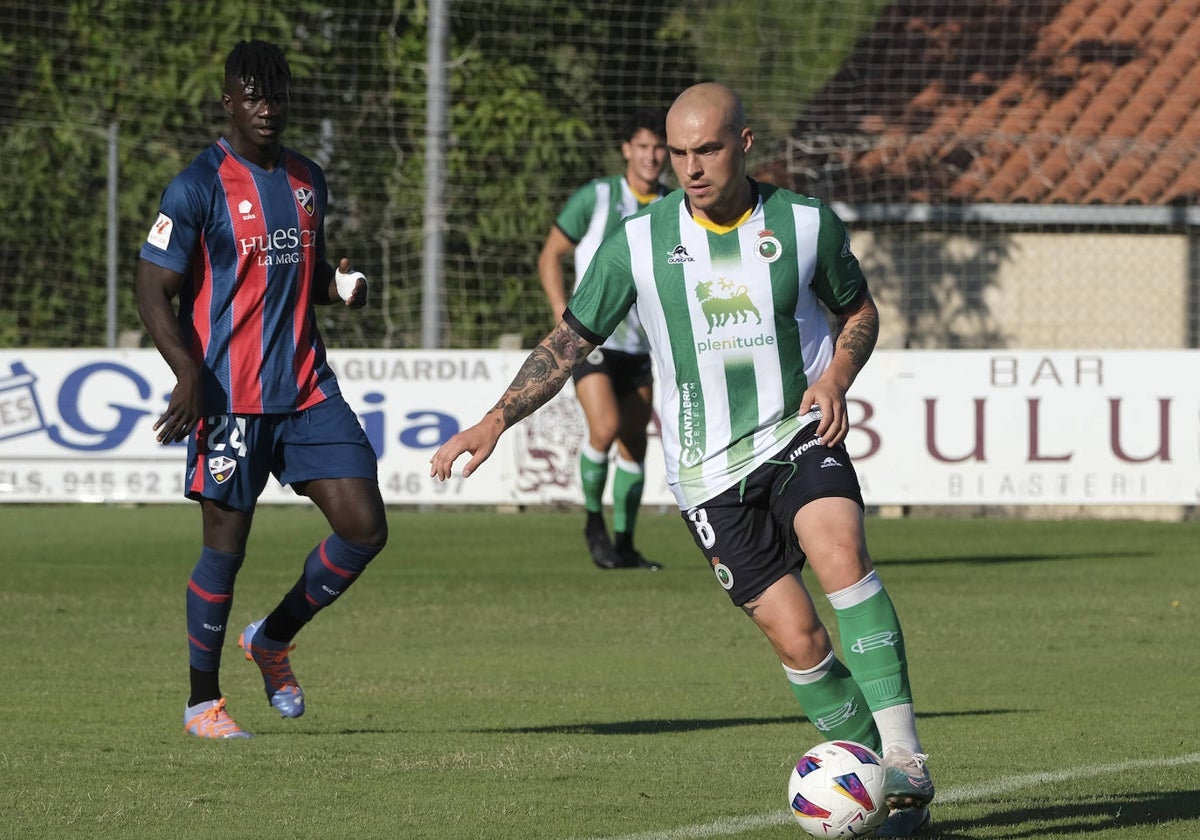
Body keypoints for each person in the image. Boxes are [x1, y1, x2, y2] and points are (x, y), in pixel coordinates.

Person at [430, 83, 935, 837]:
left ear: (745, 143)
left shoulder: (804, 224)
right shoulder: (637, 240)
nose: (691, 168)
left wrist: (834, 377)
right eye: (678, 153)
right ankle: (871, 781)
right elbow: (570, 343)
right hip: (706, 473)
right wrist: (495, 419)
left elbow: (857, 311)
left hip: (795, 435)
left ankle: (905, 756)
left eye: (708, 150)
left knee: (838, 549)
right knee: (798, 638)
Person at [136, 39, 388, 740]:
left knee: (365, 528)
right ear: (229, 103)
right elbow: (153, 288)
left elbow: (306, 279)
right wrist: (188, 372)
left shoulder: (309, 179)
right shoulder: (196, 186)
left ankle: (271, 640)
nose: (267, 108)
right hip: (231, 397)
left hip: (306, 388)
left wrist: (343, 289)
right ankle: (201, 705)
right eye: (253, 96)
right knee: (225, 550)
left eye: (276, 95)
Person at [537, 109, 669, 570]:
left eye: (660, 147)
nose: (653, 156)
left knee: (636, 441)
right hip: (591, 341)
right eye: (645, 146)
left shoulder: (673, 205)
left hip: (641, 345)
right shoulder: (597, 197)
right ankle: (594, 524)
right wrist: (562, 312)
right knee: (606, 428)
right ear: (627, 149)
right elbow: (551, 254)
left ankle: (626, 544)